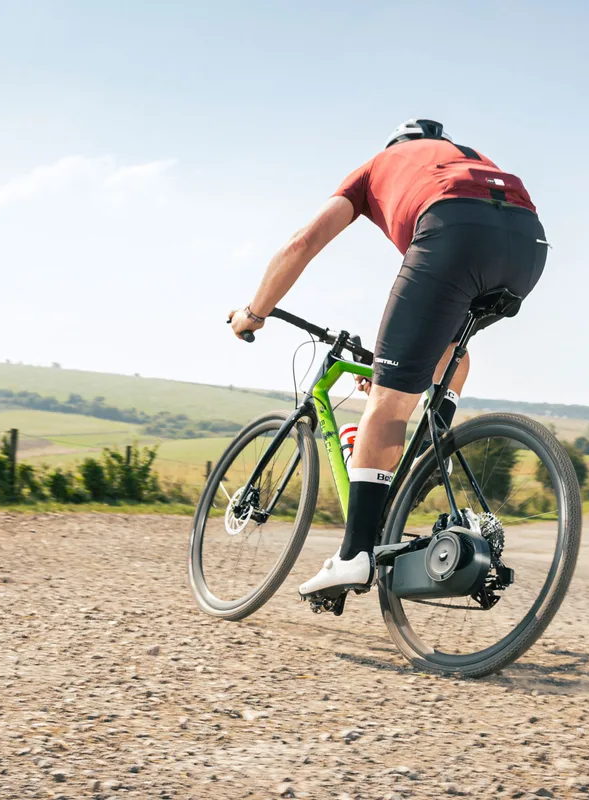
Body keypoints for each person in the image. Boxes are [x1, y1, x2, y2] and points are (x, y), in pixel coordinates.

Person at [228, 119, 547, 601]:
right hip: (528, 245)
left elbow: (304, 242)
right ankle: (424, 455)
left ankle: (355, 556)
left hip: (453, 231)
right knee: (447, 356)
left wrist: (254, 313)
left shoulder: (377, 166)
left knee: (387, 405)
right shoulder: (466, 156)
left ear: (395, 145)